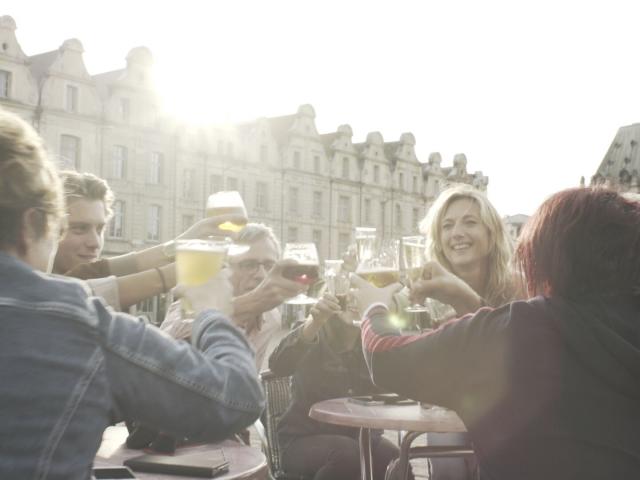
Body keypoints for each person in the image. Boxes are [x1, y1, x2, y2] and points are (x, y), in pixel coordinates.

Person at [0, 109, 264, 479]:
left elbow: (110, 273)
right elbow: (235, 397)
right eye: (63, 227)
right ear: (32, 223)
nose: (91, 242)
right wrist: (213, 314)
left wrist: (180, 248)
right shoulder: (76, 321)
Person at [355, 187, 640, 479]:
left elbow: (385, 353)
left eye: (470, 222)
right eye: (448, 225)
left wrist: (373, 307)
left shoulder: (526, 323)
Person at [268, 291, 413, 480]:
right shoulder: (313, 332)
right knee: (347, 456)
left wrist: (387, 328)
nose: (354, 298)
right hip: (302, 439)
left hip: (362, 438)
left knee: (397, 461)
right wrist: (315, 321)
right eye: (348, 290)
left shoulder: (373, 342)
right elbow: (278, 365)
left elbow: (396, 384)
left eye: (360, 290)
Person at [54, 170, 246, 310]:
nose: (95, 243)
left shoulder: (83, 276)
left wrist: (184, 242)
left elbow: (102, 271)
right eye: (79, 229)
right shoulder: (48, 292)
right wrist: (191, 264)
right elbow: (88, 288)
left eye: (100, 229)